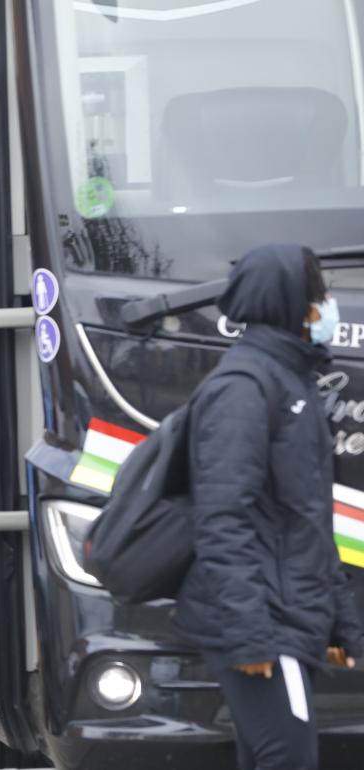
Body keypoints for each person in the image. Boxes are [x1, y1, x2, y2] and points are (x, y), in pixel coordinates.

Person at [176, 244, 363, 770]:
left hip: (281, 616)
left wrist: (337, 625)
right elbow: (223, 518)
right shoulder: (245, 387)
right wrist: (249, 633)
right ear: (290, 302)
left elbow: (305, 522)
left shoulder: (288, 380)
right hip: (263, 622)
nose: (326, 305)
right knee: (288, 760)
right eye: (318, 294)